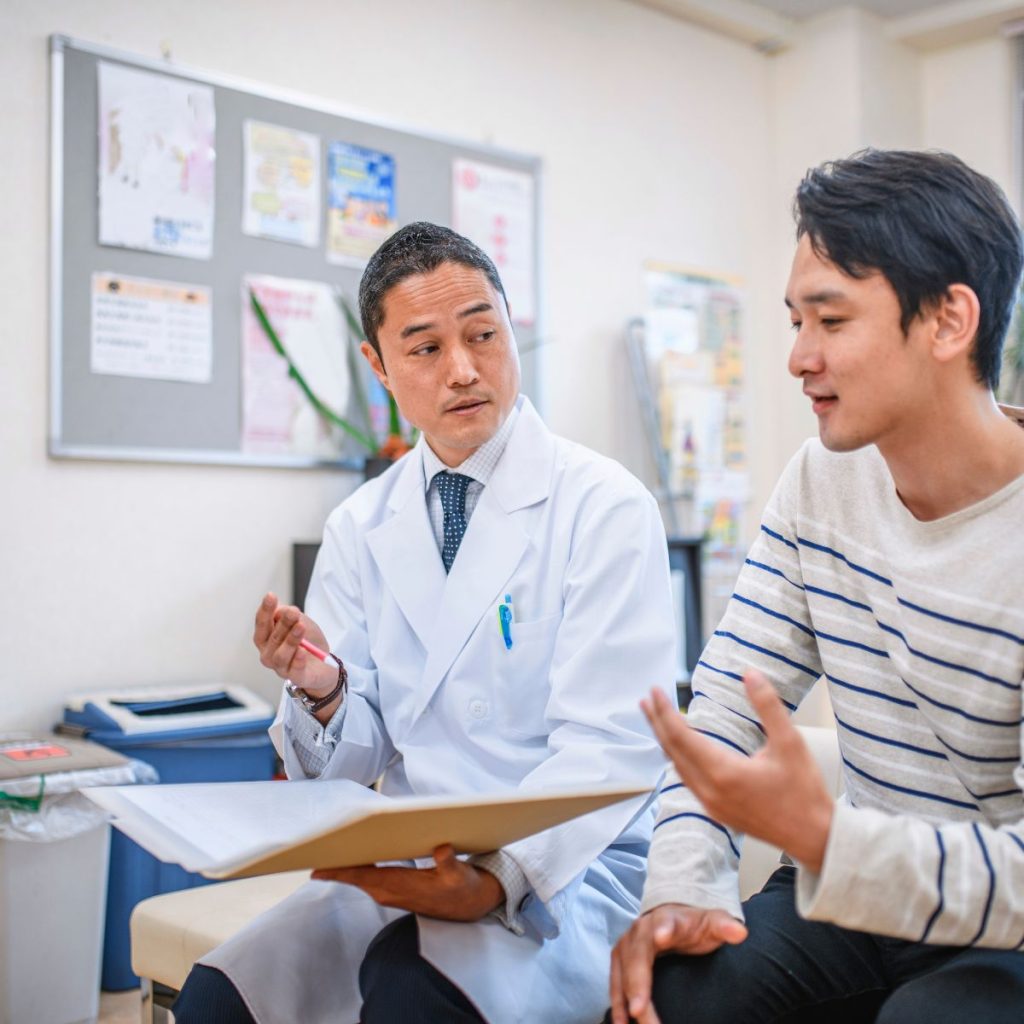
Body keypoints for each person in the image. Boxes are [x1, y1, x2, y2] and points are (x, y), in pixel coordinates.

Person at [172, 222, 677, 1024]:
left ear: (514, 332)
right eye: (426, 349)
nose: (465, 370)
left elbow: (612, 748)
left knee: (411, 998)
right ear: (378, 366)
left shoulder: (605, 507)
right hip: (412, 860)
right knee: (219, 1001)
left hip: (566, 871)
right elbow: (353, 760)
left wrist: (495, 879)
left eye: (484, 334)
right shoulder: (361, 524)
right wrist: (325, 690)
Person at [608, 148, 1024, 1024]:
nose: (799, 358)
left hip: (1005, 927)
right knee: (671, 996)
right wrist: (683, 886)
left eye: (829, 321)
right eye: (795, 321)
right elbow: (721, 707)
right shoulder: (821, 481)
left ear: (950, 321)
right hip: (854, 895)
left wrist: (833, 841)